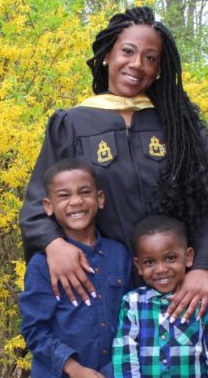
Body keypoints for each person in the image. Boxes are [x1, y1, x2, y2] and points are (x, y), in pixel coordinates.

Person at [19, 6, 208, 372]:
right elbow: (39, 203)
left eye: (150, 58)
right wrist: (53, 244)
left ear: (159, 69)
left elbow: (207, 202)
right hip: (107, 285)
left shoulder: (178, 123)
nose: (137, 64)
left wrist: (201, 267)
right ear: (107, 55)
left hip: (178, 281)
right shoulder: (72, 123)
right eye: (128, 51)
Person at [19, 158, 132, 378]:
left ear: (100, 199)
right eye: (64, 195)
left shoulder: (119, 255)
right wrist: (73, 368)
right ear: (48, 206)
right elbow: (34, 330)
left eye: (84, 192)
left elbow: (131, 321)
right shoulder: (42, 265)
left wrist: (110, 371)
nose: (76, 201)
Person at [112, 215, 208, 377]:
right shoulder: (132, 303)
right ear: (138, 266)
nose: (161, 269)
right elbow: (125, 360)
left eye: (170, 258)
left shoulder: (203, 302)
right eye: (149, 262)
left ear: (188, 257)